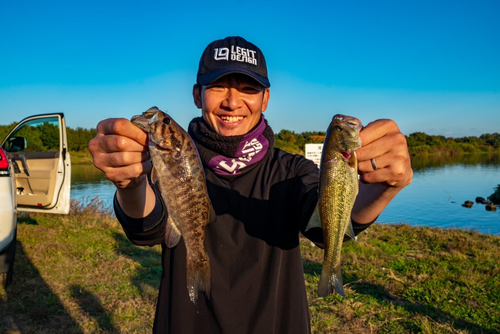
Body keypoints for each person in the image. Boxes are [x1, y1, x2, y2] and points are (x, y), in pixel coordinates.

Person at [88, 36, 413, 333]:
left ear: (265, 98)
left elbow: (324, 229)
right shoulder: (173, 159)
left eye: (248, 88)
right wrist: (130, 183)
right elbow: (148, 228)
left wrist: (381, 188)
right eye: (218, 86)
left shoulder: (292, 170)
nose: (232, 102)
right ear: (197, 94)